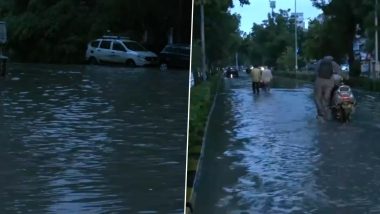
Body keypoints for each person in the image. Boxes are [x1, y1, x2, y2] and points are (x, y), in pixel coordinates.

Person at [314, 55, 342, 122]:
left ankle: (321, 114)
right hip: (330, 82)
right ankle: (328, 115)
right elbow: (339, 73)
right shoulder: (334, 63)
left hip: (319, 81)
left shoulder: (319, 62)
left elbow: (315, 72)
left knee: (318, 98)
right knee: (326, 98)